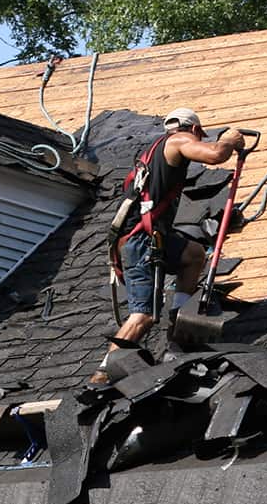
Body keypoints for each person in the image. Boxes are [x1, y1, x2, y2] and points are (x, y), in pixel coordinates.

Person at [91, 108, 244, 384]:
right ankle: (102, 375)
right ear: (194, 130)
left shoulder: (156, 152)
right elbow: (215, 155)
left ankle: (178, 325)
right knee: (143, 316)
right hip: (140, 241)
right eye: (198, 135)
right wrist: (229, 141)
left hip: (151, 238)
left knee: (194, 254)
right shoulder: (178, 140)